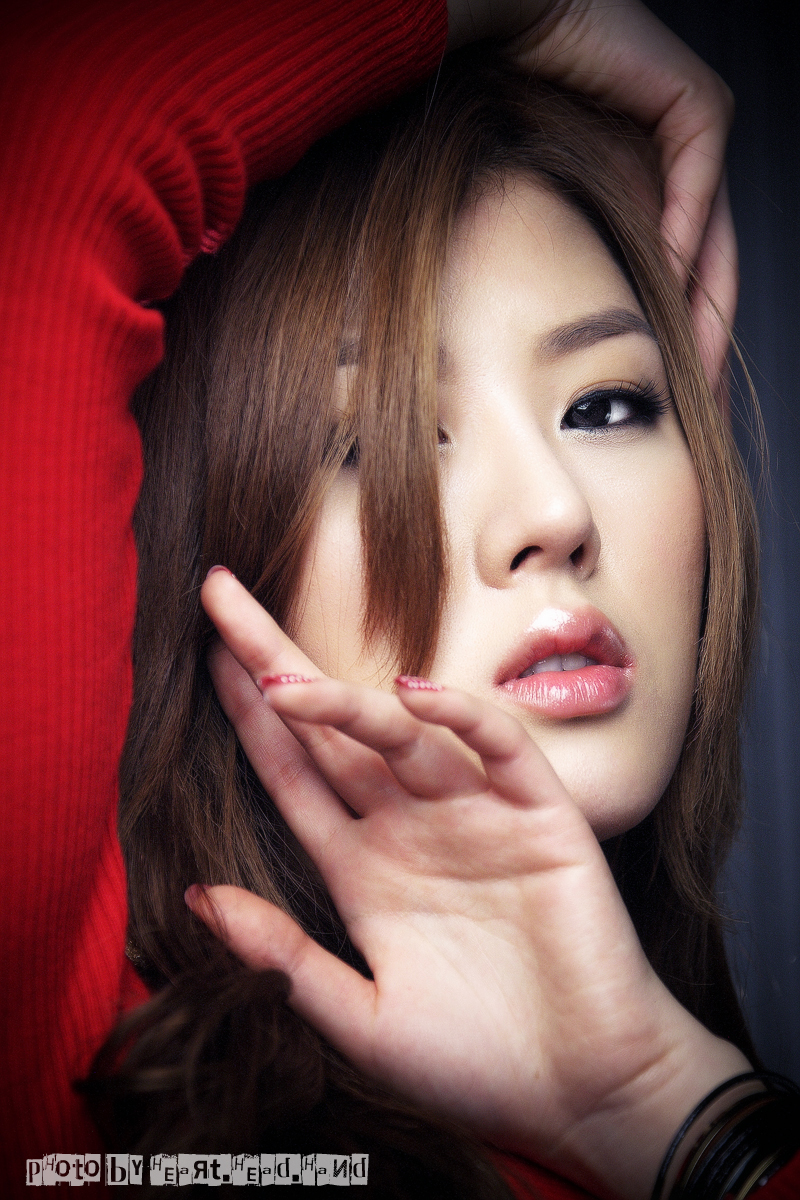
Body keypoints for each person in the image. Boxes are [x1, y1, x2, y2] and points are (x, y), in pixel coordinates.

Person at [1, 0, 793, 1196]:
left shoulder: (675, 1117)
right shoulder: (81, 1098)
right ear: (218, 552)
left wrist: (663, 1111)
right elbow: (46, 152)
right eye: (378, 441)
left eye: (604, 406)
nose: (552, 513)